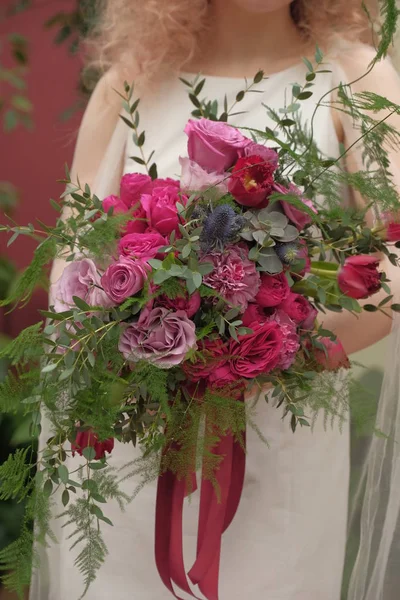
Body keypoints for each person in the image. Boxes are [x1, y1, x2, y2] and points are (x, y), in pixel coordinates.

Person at [31, 1, 400, 599]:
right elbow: (70, 269)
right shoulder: (129, 84)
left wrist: (273, 351)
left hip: (284, 449)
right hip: (136, 446)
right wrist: (144, 341)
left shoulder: (357, 80)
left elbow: (395, 267)